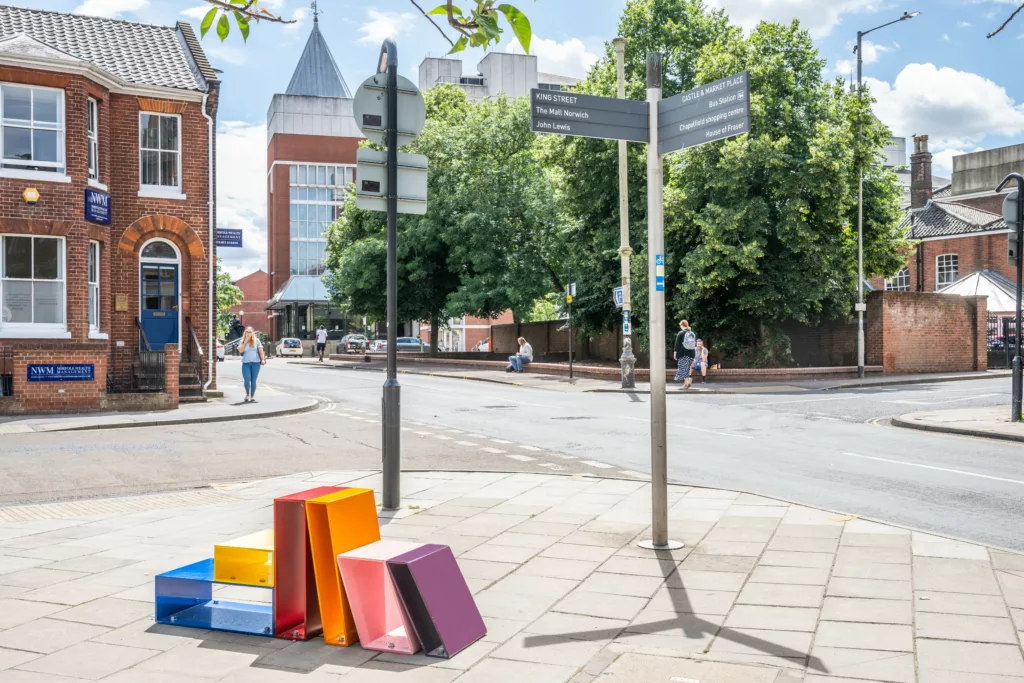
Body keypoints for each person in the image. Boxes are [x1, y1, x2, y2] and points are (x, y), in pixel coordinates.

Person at [239, 326, 266, 403]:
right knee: (247, 379)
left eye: (250, 332)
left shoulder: (257, 341)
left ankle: (252, 396)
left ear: (252, 333)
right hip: (246, 363)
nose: (248, 333)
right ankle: (247, 394)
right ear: (245, 333)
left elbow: (260, 350)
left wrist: (263, 359)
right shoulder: (242, 341)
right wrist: (245, 341)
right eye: (247, 331)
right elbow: (240, 351)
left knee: (253, 380)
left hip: (255, 363)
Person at [673, 320, 697, 388]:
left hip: (683, 353)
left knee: (683, 368)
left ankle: (687, 381)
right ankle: (686, 383)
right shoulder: (692, 333)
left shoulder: (680, 333)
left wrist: (675, 353)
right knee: (687, 368)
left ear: (682, 325)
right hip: (691, 353)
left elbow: (677, 344)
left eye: (680, 325)